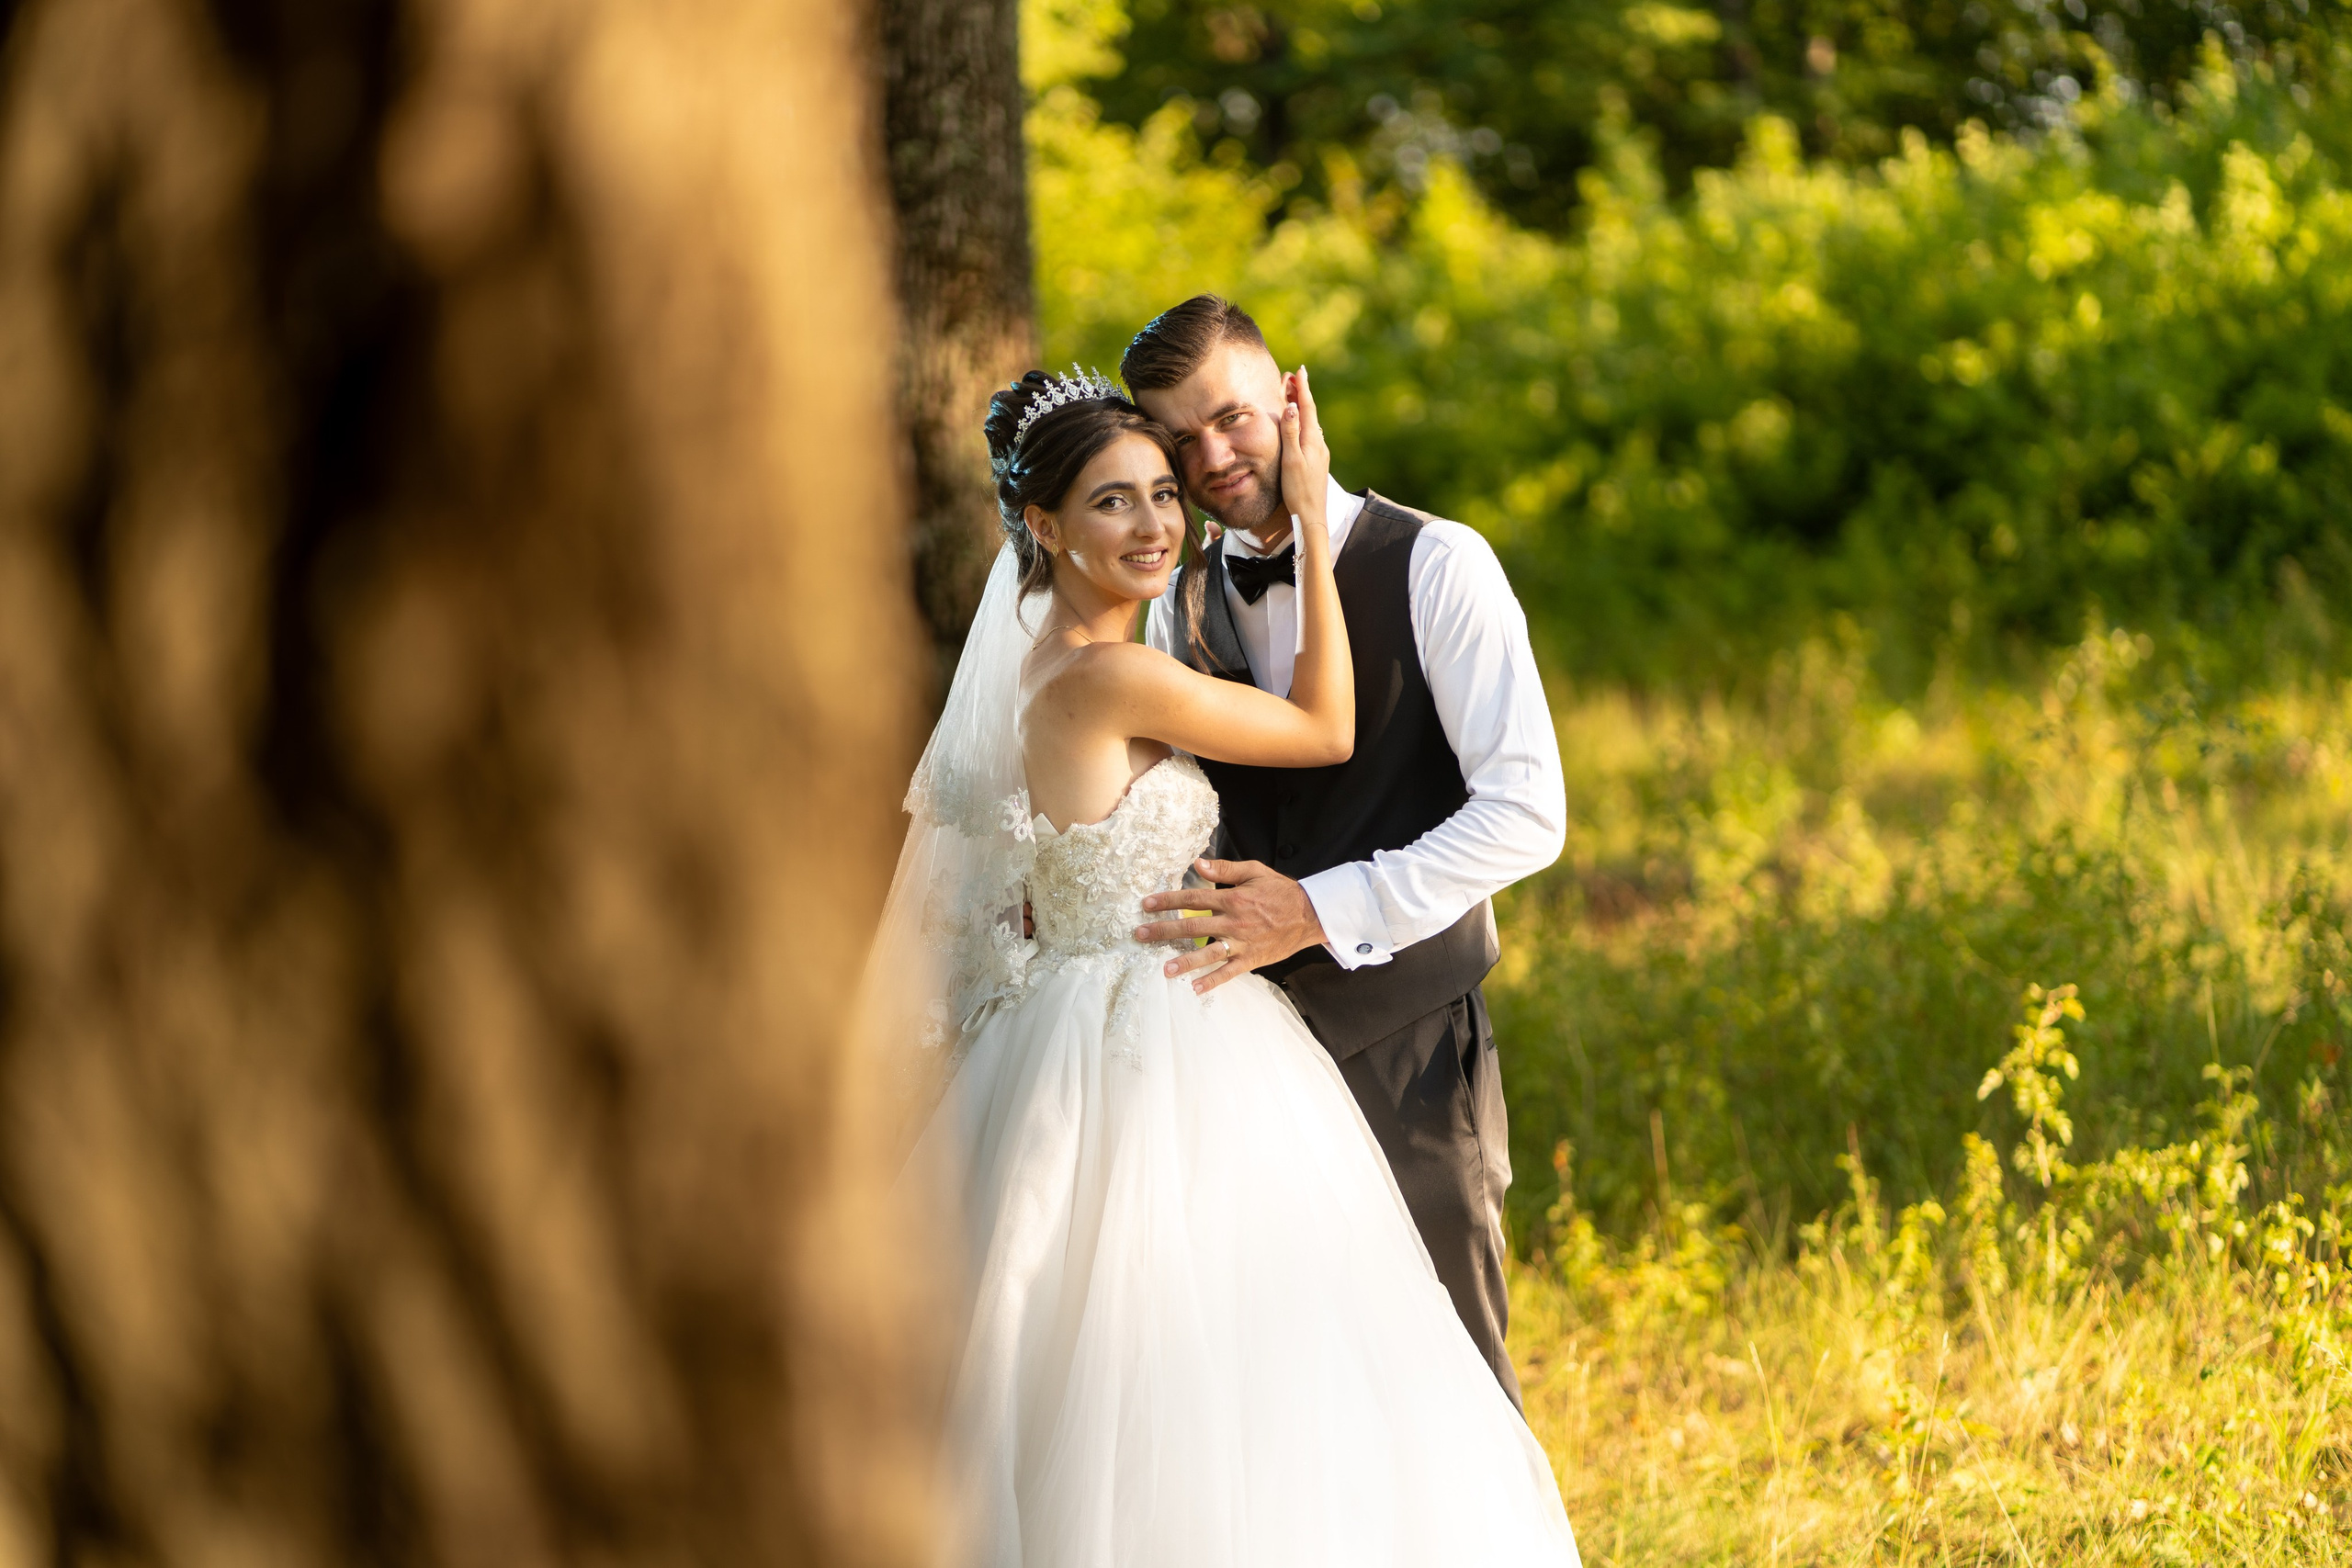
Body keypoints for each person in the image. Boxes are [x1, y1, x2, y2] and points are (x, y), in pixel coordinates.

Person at [865, 366, 1577, 1566]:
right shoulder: (1117, 674)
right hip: (1160, 1031)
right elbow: (1325, 732)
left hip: (1066, 1020)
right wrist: (1308, 514)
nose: (1154, 525)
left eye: (1161, 494)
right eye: (1112, 502)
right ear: (1041, 525)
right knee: (1212, 1361)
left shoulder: (1038, 664)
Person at [1125, 296, 1567, 1404]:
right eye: (1179, 439)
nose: (1212, 456)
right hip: (1234, 1048)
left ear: (1289, 400)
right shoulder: (1168, 604)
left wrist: (1320, 909)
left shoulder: (1437, 564)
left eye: (1229, 418)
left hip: (1407, 1044)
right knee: (1287, 1401)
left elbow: (1526, 810)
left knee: (1450, 1383)